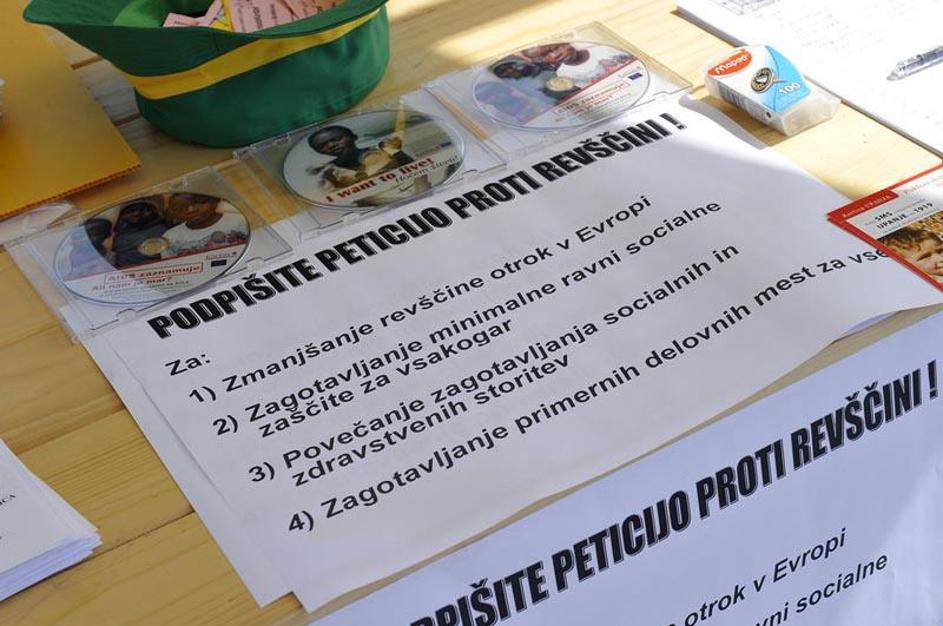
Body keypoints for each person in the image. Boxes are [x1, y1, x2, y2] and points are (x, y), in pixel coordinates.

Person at [306, 124, 415, 192]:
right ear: (319, 151)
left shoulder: (385, 150)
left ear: (354, 137)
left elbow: (415, 168)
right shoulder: (329, 173)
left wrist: (396, 152)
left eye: (336, 139)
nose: (331, 145)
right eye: (322, 145)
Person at [161, 194, 248, 257]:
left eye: (199, 202)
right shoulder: (170, 237)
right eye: (180, 208)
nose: (190, 210)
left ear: (215, 200)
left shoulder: (239, 221)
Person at [522, 43, 632, 88]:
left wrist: (618, 61)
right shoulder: (565, 74)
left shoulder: (597, 45)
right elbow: (591, 89)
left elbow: (632, 57)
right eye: (545, 56)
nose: (556, 55)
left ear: (565, 42)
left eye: (556, 48)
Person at [111, 198, 170, 268]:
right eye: (130, 211)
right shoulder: (118, 230)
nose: (136, 214)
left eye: (142, 210)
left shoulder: (162, 231)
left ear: (153, 211)